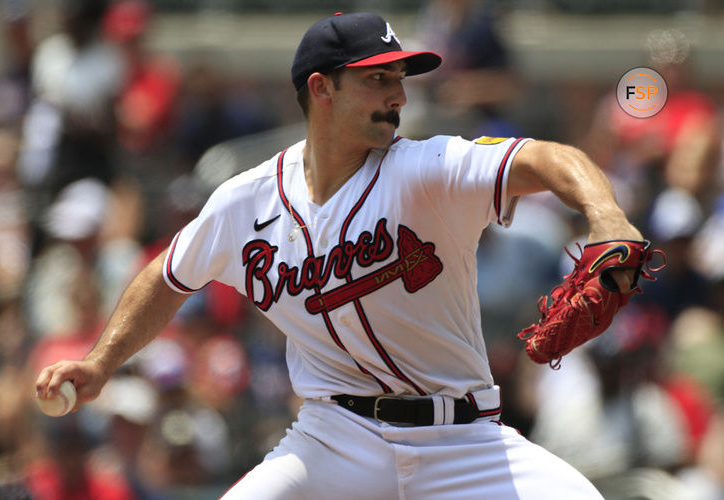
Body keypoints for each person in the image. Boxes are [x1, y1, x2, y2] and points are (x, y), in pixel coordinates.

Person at [36, 12, 645, 499]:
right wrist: (99, 362)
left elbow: (542, 158)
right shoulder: (243, 201)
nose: (397, 96)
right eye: (377, 79)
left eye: (400, 79)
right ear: (321, 88)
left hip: (461, 439)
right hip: (335, 440)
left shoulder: (424, 169)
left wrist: (606, 215)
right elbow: (168, 277)